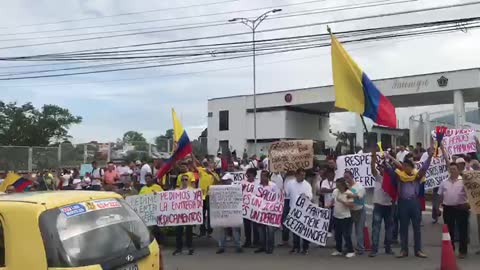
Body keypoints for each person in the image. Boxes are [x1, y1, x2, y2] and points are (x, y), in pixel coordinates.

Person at [387, 148, 433, 258]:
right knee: (403, 228)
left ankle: (418, 250)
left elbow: (424, 169)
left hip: (414, 203)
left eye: (407, 166)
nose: (405, 167)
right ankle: (404, 250)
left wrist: (430, 157)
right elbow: (397, 166)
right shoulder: (399, 175)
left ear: (412, 167)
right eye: (404, 166)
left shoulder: (416, 176)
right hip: (402, 203)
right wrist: (389, 158)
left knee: (417, 227)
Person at [438, 162, 470, 259]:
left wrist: (468, 204)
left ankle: (463, 251)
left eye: (454, 169)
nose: (452, 171)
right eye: (450, 169)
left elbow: (470, 194)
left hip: (461, 208)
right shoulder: (444, 182)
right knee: (449, 230)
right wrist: (437, 208)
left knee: (462, 230)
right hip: (448, 208)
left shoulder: (464, 181)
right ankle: (450, 250)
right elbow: (440, 195)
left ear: (458, 170)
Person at [370, 149, 394, 257]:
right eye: (381, 168)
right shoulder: (378, 177)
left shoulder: (393, 180)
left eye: (384, 168)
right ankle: (374, 249)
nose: (382, 170)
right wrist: (373, 158)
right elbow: (372, 169)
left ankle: (388, 248)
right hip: (378, 206)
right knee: (376, 228)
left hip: (389, 206)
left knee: (389, 228)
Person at [286, 168, 313, 255]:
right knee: (295, 229)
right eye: (301, 175)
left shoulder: (307, 185)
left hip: (304, 210)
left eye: (304, 175)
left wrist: (306, 196)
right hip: (293, 209)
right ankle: (296, 247)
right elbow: (286, 193)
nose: (303, 177)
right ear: (296, 175)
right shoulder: (290, 183)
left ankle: (305, 247)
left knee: (304, 229)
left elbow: (310, 196)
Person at [217, 172, 243, 254]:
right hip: (224, 213)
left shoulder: (235, 189)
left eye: (226, 180)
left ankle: (238, 246)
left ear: (230, 180)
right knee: (223, 230)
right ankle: (221, 247)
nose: (225, 182)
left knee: (235, 230)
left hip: (233, 213)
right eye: (224, 181)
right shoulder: (219, 190)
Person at [331, 178, 355, 258]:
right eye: (336, 185)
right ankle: (338, 250)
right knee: (337, 234)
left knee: (346, 234)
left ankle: (351, 250)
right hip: (336, 216)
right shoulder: (335, 191)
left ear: (342, 185)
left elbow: (351, 205)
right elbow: (332, 201)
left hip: (345, 217)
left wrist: (343, 201)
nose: (337, 186)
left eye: (338, 185)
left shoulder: (348, 193)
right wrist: (328, 205)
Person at [254, 170, 277, 254]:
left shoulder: (273, 186)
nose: (262, 178)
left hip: (270, 211)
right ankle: (262, 246)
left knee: (270, 230)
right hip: (260, 210)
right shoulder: (257, 185)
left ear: (267, 177)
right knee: (261, 229)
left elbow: (277, 197)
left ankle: (270, 247)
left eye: (263, 176)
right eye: (261, 176)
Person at [344, 170, 366, 255]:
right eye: (345, 177)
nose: (346, 179)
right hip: (349, 210)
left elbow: (359, 196)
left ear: (352, 177)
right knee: (347, 230)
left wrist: (349, 191)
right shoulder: (345, 186)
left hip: (359, 210)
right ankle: (348, 247)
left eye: (347, 177)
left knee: (359, 230)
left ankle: (360, 248)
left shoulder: (359, 186)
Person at [196, 159, 219, 238]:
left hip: (210, 196)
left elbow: (218, 181)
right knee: (201, 213)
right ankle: (202, 230)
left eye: (212, 164)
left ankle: (209, 230)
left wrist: (211, 173)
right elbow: (194, 165)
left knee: (209, 214)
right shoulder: (202, 171)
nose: (210, 165)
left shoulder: (215, 174)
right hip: (201, 195)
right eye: (209, 164)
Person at [173, 175, 195, 256]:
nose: (184, 181)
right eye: (182, 180)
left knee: (189, 231)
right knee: (178, 231)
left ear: (188, 181)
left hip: (188, 214)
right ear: (180, 181)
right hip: (179, 214)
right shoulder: (176, 191)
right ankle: (179, 248)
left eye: (186, 179)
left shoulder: (191, 190)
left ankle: (190, 247)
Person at [242, 168, 260, 248]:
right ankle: (248, 241)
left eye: (249, 175)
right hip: (246, 208)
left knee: (255, 226)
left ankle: (256, 241)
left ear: (254, 175)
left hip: (255, 208)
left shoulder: (258, 183)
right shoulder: (243, 183)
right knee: (247, 226)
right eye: (247, 175)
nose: (248, 177)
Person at [279, 171, 296, 247]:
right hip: (286, 200)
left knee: (294, 220)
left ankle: (296, 241)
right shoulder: (285, 177)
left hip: (293, 200)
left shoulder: (296, 177)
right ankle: (285, 240)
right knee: (285, 220)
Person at [320, 168, 336, 237]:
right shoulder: (324, 181)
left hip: (335, 203)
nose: (330, 175)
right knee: (327, 219)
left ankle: (332, 232)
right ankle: (327, 231)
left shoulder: (336, 181)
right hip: (327, 203)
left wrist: (329, 190)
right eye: (329, 174)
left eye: (331, 174)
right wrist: (332, 190)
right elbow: (323, 190)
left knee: (333, 219)